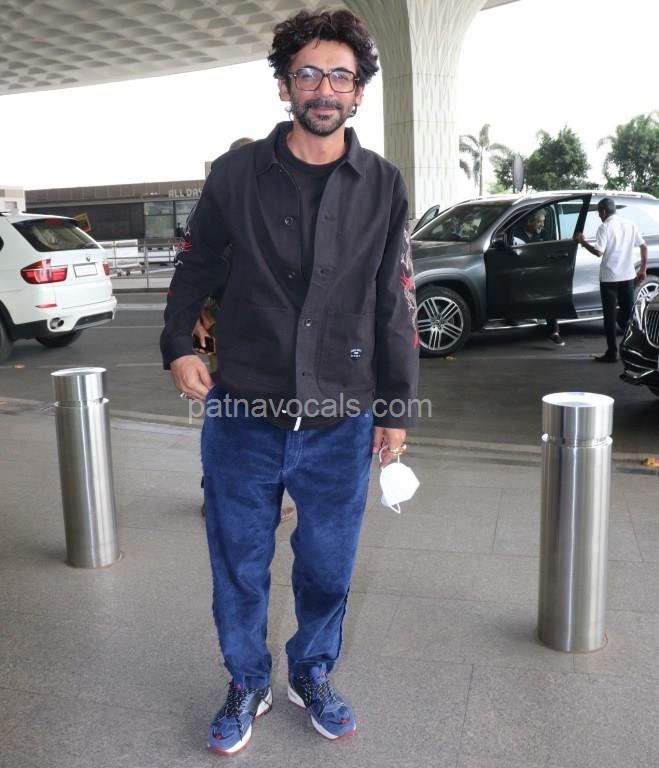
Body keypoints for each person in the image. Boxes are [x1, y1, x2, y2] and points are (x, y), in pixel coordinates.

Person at [160, 8, 419, 756]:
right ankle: (247, 681)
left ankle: (311, 671)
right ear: (284, 85)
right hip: (242, 414)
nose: (323, 88)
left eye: (340, 75)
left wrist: (395, 408)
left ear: (358, 91)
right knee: (238, 564)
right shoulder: (234, 177)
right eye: (308, 73)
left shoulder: (382, 184)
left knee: (328, 568)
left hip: (342, 420)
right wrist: (177, 345)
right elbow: (195, 267)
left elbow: (394, 300)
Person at [574, 197, 648, 362]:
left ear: (603, 212)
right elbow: (643, 246)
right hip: (628, 276)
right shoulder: (630, 224)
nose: (599, 216)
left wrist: (582, 241)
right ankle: (634, 350)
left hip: (610, 279)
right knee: (628, 315)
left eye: (599, 213)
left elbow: (598, 252)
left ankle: (611, 353)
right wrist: (643, 269)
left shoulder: (604, 227)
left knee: (609, 316)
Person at [513, 209, 564, 345]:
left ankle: (554, 332)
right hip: (518, 273)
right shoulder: (515, 233)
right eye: (539, 222)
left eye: (543, 222)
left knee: (548, 293)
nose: (542, 225)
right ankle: (511, 316)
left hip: (539, 273)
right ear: (529, 222)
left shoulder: (544, 234)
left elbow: (551, 251)